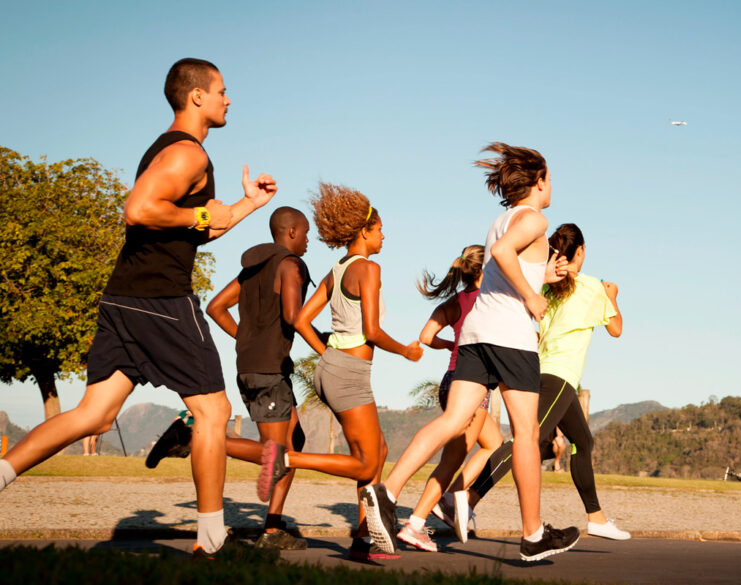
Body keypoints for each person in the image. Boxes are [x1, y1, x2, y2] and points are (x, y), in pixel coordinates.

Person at [0, 58, 277, 559]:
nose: (228, 99)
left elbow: (199, 228)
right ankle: (212, 541)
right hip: (160, 298)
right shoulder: (186, 153)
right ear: (197, 96)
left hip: (125, 296)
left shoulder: (173, 151)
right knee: (213, 410)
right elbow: (139, 209)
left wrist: (244, 206)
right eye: (222, 90)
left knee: (94, 415)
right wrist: (198, 212)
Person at [362, 142, 578, 562]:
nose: (552, 185)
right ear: (538, 180)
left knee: (452, 420)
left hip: (477, 333)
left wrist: (543, 275)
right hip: (510, 336)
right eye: (550, 177)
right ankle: (533, 534)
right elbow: (501, 256)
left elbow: (503, 262)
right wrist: (534, 297)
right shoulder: (535, 217)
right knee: (528, 435)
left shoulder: (502, 219)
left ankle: (386, 492)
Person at [261, 182, 423, 561]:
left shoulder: (336, 270)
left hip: (334, 368)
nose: (384, 236)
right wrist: (405, 351)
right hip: (348, 373)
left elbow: (301, 320)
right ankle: (288, 459)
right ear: (364, 231)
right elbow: (371, 331)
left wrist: (329, 355)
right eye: (380, 229)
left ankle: (365, 539)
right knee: (367, 461)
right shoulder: (368, 268)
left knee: (375, 451)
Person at [449, 223, 629, 540]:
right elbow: (616, 329)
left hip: (551, 374)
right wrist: (612, 296)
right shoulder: (592, 288)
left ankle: (597, 517)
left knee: (583, 442)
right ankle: (465, 498)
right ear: (582, 251)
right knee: (525, 441)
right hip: (558, 375)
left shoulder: (548, 284)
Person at [201, 206, 315, 550]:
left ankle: (273, 529)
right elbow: (294, 316)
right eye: (306, 233)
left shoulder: (253, 268)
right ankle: (191, 438)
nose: (308, 241)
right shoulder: (291, 265)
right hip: (268, 369)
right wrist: (325, 348)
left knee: (294, 444)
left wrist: (245, 340)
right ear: (292, 232)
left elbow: (216, 306)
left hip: (252, 366)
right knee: (278, 454)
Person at [396, 245, 504, 552]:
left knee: (494, 445)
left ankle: (447, 498)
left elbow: (426, 336)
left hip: (449, 381)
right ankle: (419, 521)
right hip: (473, 386)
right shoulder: (492, 301)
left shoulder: (454, 301)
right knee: (451, 461)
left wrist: (449, 345)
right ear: (487, 269)